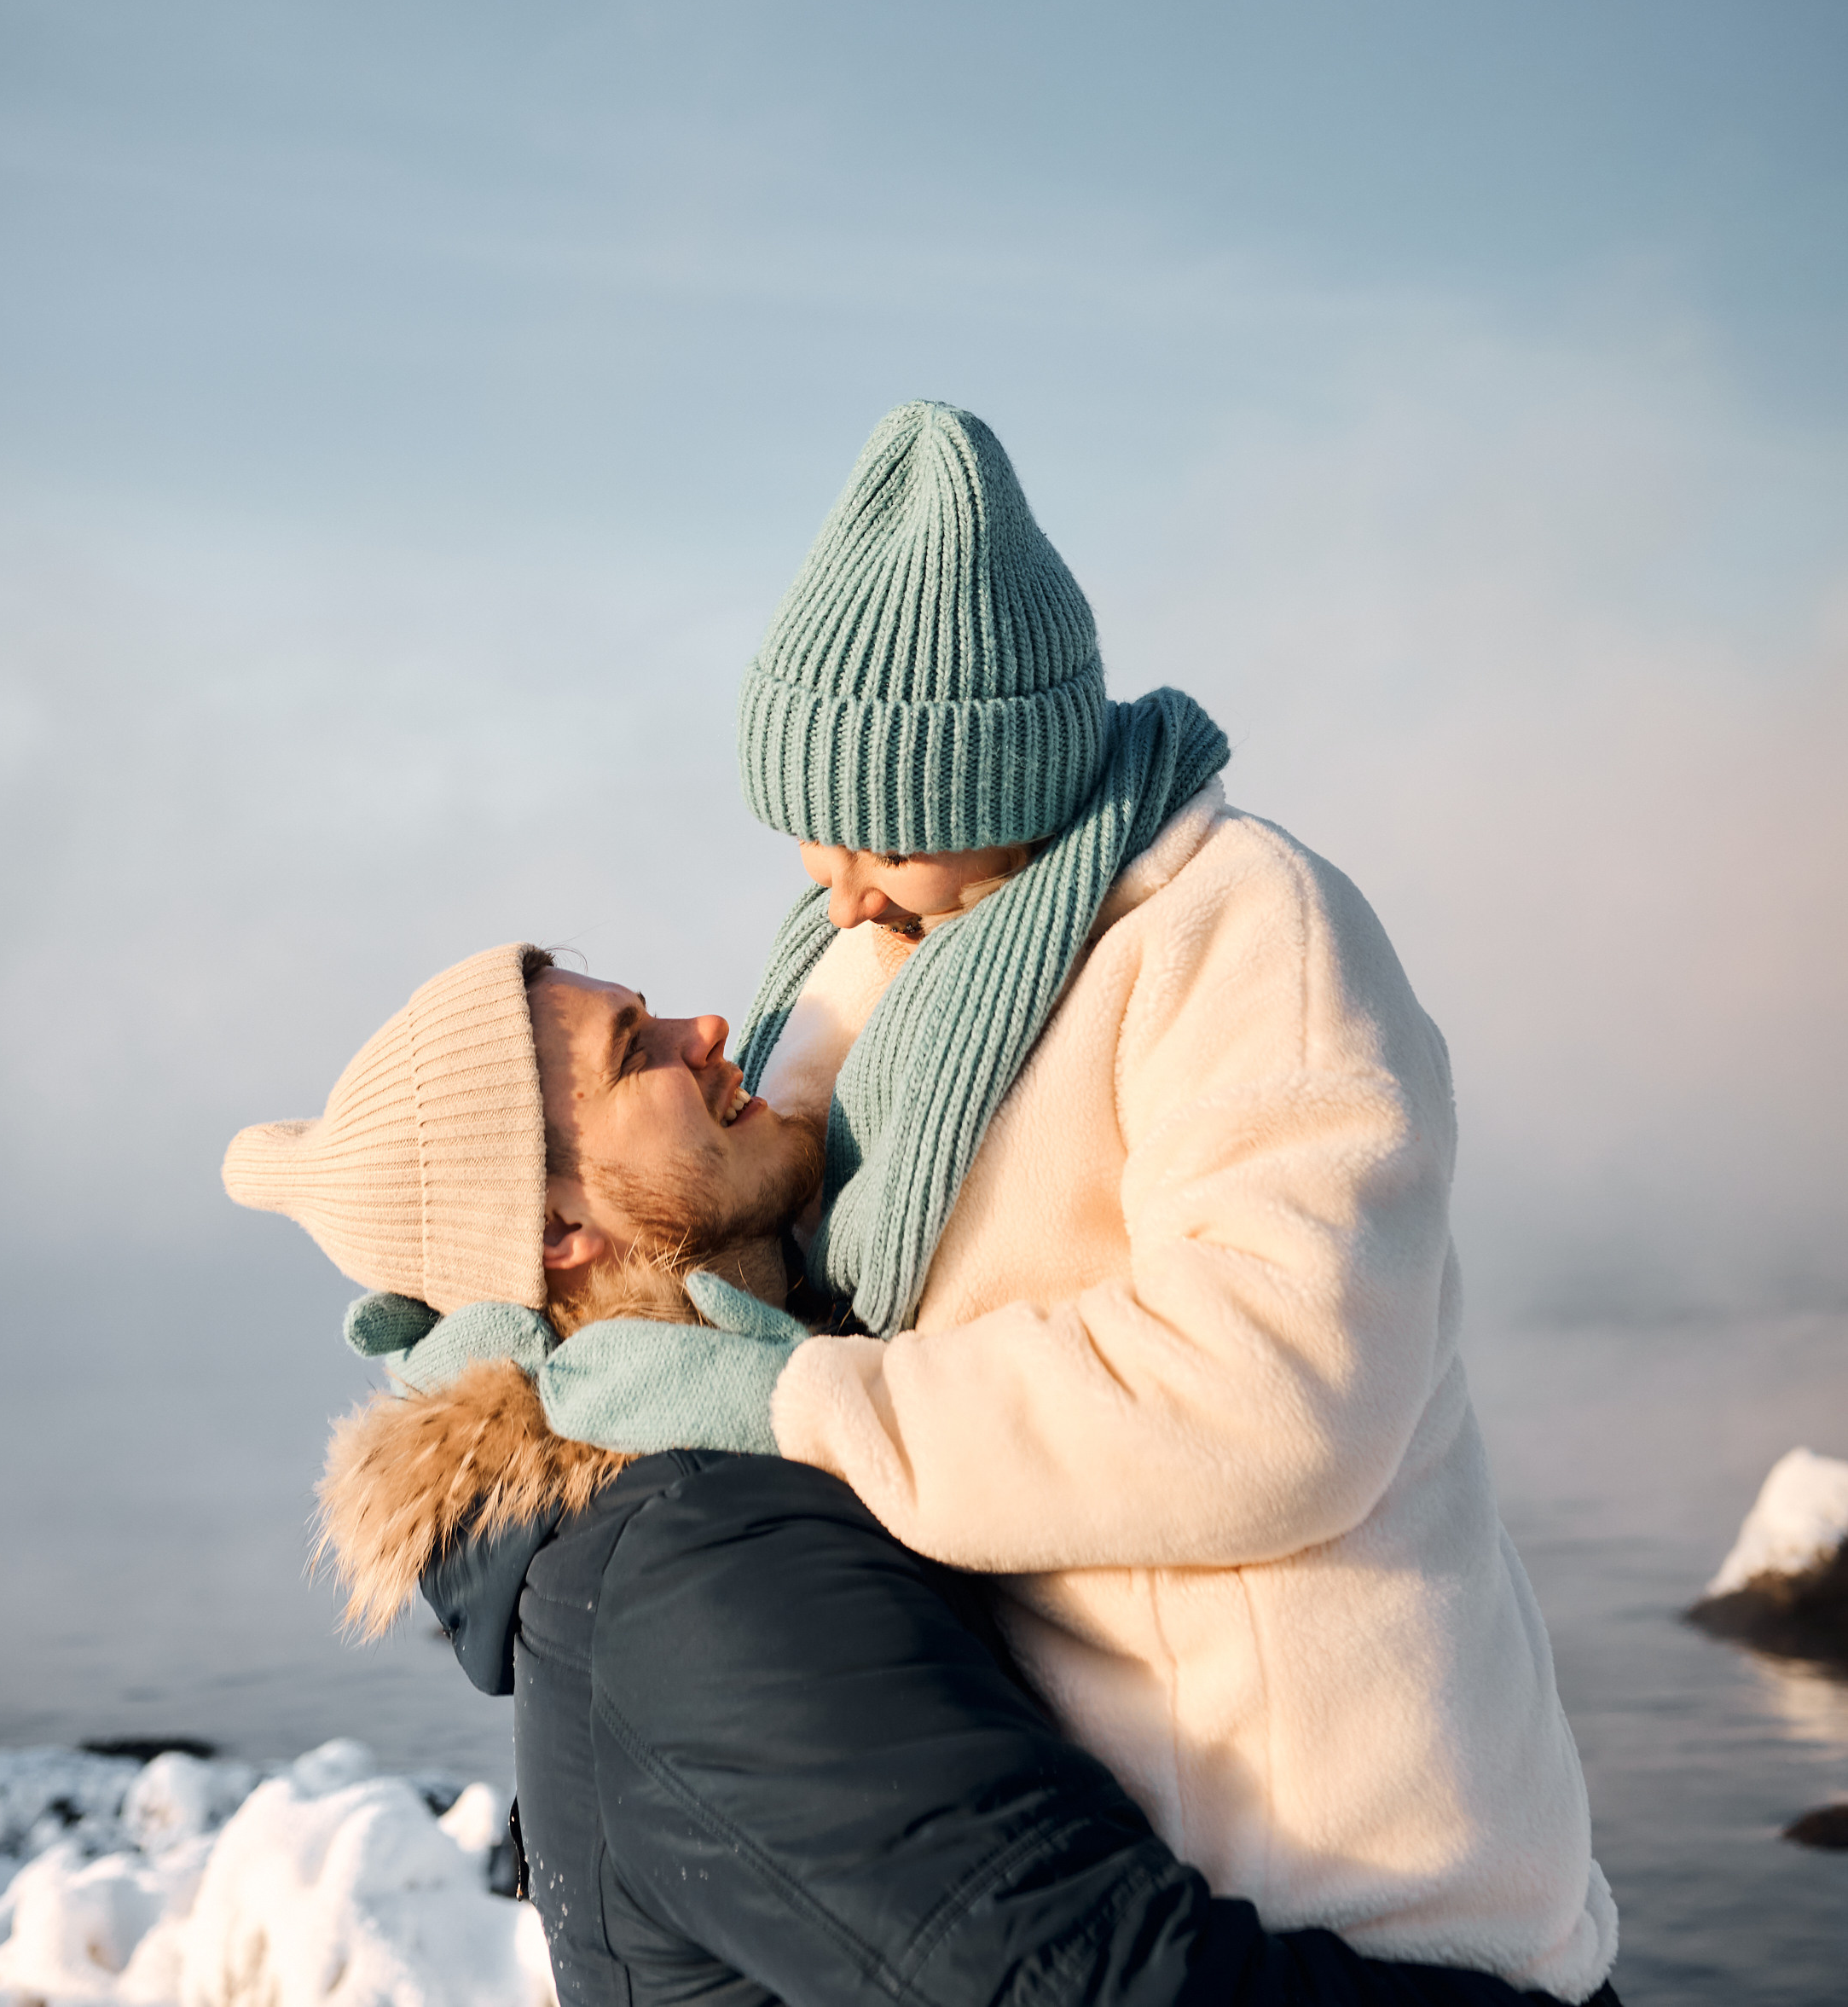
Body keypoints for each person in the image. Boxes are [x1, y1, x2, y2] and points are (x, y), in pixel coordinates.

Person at [513, 403, 1618, 2001]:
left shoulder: (1238, 937)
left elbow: (1277, 1396)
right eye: (805, 828)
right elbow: (708, 1220)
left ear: (1003, 773)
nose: (832, 882)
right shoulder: (861, 961)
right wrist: (499, 1319)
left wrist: (797, 1403)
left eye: (877, 826)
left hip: (1357, 1897)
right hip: (1117, 1874)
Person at [223, 945, 1615, 2007]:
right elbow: (1088, 1976)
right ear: (555, 1229)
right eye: (631, 1047)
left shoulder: (696, 1501)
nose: (708, 1030)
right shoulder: (696, 1565)